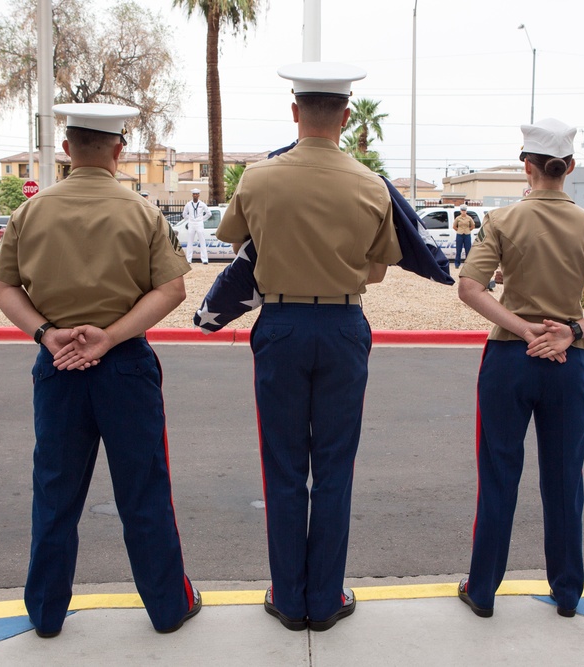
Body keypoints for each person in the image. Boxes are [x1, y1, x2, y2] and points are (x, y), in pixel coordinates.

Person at [0, 102, 201, 638]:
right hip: (124, 365)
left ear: (66, 149)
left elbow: (0, 286)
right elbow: (172, 288)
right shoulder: (142, 212)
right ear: (117, 150)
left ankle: (46, 613)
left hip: (57, 364)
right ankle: (168, 608)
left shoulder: (29, 212)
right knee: (143, 491)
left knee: (55, 492)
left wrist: (45, 332)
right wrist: (110, 336)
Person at [216, 61, 402, 632]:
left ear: (295, 112)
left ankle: (288, 596)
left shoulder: (258, 178)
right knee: (335, 466)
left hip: (280, 325)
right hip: (344, 326)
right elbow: (377, 271)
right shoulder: (371, 185)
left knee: (283, 465)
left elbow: (237, 244)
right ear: (346, 117)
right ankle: (325, 599)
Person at [455, 118, 584, 619]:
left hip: (510, 359)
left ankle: (484, 590)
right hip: (568, 361)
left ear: (526, 165)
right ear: (570, 167)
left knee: (498, 475)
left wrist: (523, 328)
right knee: (563, 479)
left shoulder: (503, 221)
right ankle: (567, 592)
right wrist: (570, 331)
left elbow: (470, 288)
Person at [182, 188, 211, 264]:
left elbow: (209, 214)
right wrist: (190, 219)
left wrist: (202, 219)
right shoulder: (188, 204)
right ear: (192, 195)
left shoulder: (202, 204)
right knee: (190, 241)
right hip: (191, 224)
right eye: (194, 194)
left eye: (196, 194)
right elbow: (184, 214)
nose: (195, 195)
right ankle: (188, 259)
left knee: (202, 241)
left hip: (199, 224)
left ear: (199, 195)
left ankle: (204, 259)